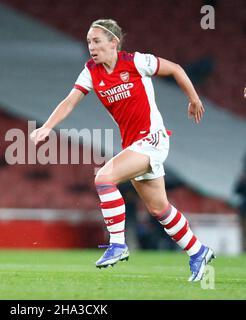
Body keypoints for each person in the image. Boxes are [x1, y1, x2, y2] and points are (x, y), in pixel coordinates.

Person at [30, 19, 214, 282]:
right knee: (159, 208)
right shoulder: (91, 71)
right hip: (134, 145)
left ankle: (118, 244)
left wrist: (194, 98)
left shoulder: (136, 62)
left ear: (113, 43)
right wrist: (48, 126)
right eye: (88, 42)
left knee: (104, 178)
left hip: (153, 139)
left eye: (96, 41)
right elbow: (70, 100)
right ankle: (198, 252)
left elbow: (175, 69)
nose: (91, 47)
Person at [235, 153, 246, 251]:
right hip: (244, 210)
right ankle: (244, 251)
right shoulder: (243, 177)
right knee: (244, 233)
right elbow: (236, 190)